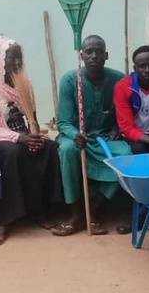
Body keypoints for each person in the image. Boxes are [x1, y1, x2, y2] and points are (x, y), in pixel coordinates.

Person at [0, 35, 63, 246]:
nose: (16, 63)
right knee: (12, 153)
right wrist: (19, 138)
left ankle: (39, 210)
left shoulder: (25, 82)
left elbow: (31, 116)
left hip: (24, 134)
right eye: (10, 58)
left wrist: (34, 136)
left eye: (19, 57)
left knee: (50, 148)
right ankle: (3, 220)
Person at [53, 35, 130, 236]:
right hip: (77, 137)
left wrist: (117, 128)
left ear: (106, 55)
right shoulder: (70, 81)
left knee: (125, 155)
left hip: (105, 137)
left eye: (98, 52)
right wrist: (74, 134)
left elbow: (124, 113)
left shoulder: (118, 79)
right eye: (89, 51)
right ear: (81, 56)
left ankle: (92, 210)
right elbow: (63, 122)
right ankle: (75, 213)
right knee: (68, 150)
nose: (94, 56)